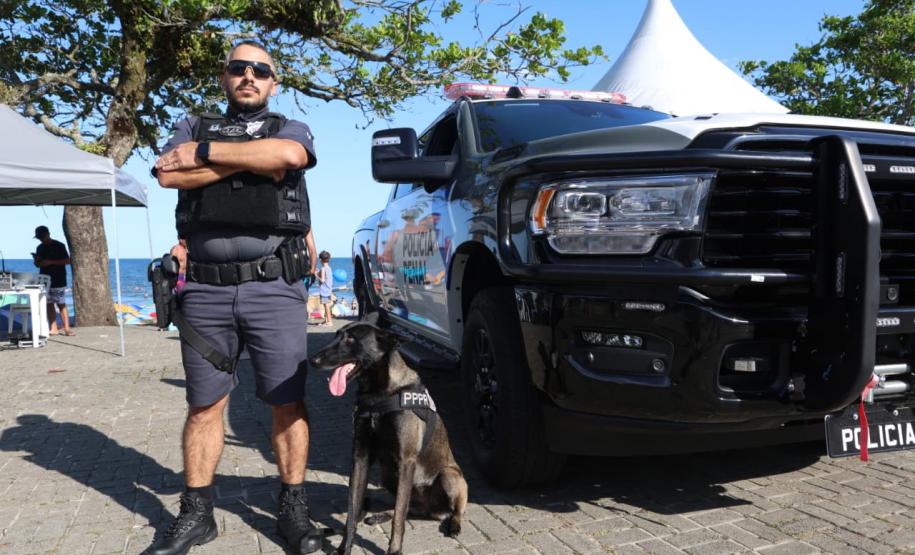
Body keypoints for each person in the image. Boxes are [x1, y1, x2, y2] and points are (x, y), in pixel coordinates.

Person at [147, 40, 321, 555]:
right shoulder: (190, 123)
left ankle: (292, 509)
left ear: (274, 82)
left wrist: (203, 156)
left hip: (274, 287)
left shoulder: (289, 128)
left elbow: (288, 156)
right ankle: (197, 514)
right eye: (239, 68)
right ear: (224, 76)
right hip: (202, 290)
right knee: (204, 406)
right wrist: (250, 163)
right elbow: (165, 174)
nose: (249, 76)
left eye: (261, 70)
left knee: (287, 403)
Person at [32, 226, 74, 336]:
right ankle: (53, 327)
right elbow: (38, 265)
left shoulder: (59, 246)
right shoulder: (39, 247)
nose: (41, 239)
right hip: (44, 279)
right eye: (39, 238)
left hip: (58, 278)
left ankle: (67, 328)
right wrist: (37, 261)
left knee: (61, 304)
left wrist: (50, 262)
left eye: (42, 237)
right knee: (49, 303)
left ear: (48, 234)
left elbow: (67, 260)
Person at [317, 251, 333, 327]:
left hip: (324, 290)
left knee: (326, 305)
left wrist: (315, 275)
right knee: (326, 305)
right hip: (328, 289)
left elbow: (322, 280)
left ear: (320, 259)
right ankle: (326, 320)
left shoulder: (323, 268)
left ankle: (329, 322)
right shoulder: (329, 268)